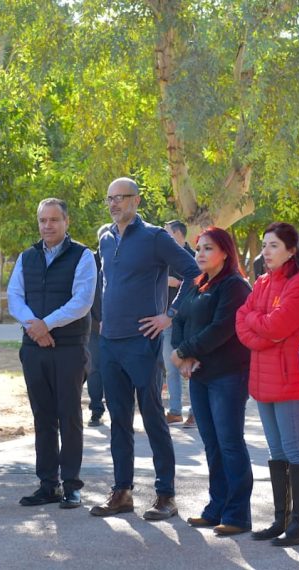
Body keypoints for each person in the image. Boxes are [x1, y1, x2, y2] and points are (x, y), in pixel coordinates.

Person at [89, 177, 201, 521]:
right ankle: (121, 492)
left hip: (143, 342)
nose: (113, 204)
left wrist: (169, 315)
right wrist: (102, 318)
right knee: (118, 420)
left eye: (119, 198)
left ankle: (166, 495)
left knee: (153, 417)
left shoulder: (155, 238)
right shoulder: (105, 237)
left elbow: (193, 274)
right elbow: (106, 282)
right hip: (110, 343)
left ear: (136, 201)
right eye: (109, 199)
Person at [8, 198, 97, 509]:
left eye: (54, 220)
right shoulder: (27, 257)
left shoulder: (83, 256)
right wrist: (35, 328)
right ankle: (48, 484)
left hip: (70, 348)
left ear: (66, 222)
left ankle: (72, 485)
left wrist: (46, 324)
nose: (47, 226)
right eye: (43, 220)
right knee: (42, 417)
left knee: (69, 415)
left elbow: (83, 301)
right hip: (34, 349)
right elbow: (15, 297)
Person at [235, 222, 299, 546]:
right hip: (262, 378)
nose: (266, 252)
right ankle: (281, 519)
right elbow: (243, 321)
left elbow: (276, 324)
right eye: (265, 245)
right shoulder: (262, 282)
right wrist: (263, 328)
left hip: (288, 378)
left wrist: (261, 326)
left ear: (291, 250)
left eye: (273, 246)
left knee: (295, 449)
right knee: (276, 450)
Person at [170, 227, 252, 536]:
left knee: (230, 443)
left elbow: (221, 328)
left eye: (207, 248)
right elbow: (179, 320)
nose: (200, 254)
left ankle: (237, 514)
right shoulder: (197, 284)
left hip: (228, 375)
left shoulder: (235, 286)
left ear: (225, 252)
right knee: (212, 445)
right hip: (200, 377)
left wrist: (185, 352)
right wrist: (182, 352)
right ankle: (216, 507)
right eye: (198, 249)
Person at [163, 220, 196, 427]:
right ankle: (175, 411)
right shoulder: (162, 258)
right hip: (166, 320)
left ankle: (195, 411)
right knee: (170, 367)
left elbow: (198, 280)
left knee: (190, 367)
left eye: (166, 233)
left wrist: (180, 282)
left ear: (177, 234)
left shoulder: (193, 257)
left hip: (188, 320)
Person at [86, 223, 111, 427]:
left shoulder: (121, 259)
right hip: (93, 327)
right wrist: (97, 321)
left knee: (115, 370)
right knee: (95, 369)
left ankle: (119, 409)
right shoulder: (89, 262)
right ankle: (96, 410)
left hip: (118, 326)